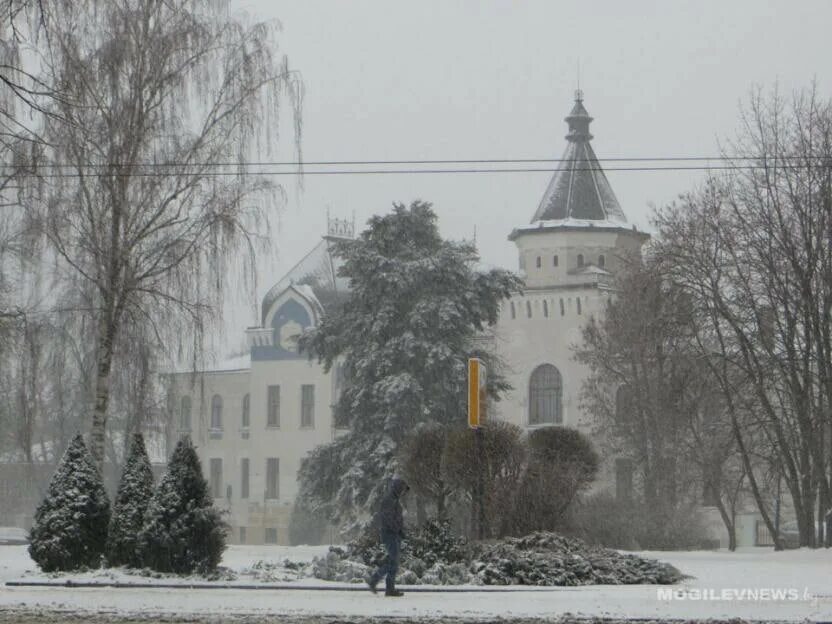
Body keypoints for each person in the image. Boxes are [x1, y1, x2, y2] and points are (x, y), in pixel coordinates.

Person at [368, 477, 409, 597]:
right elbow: (388, 518)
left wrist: (401, 531)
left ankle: (389, 588)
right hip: (389, 534)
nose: (403, 492)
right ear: (397, 488)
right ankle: (375, 581)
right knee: (392, 562)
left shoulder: (395, 500)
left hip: (394, 534)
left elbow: (396, 518)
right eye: (402, 489)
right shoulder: (389, 500)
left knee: (393, 562)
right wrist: (397, 529)